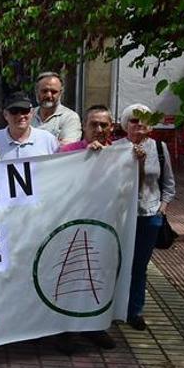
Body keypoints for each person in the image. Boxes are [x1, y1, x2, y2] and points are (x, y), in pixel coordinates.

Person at [52, 104, 119, 354]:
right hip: (71, 225)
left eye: (104, 125)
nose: (99, 129)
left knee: (101, 276)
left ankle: (95, 326)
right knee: (70, 277)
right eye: (94, 124)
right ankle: (66, 331)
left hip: (105, 227)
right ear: (84, 127)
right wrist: (86, 159)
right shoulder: (67, 153)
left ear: (111, 127)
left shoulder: (119, 154)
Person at [116, 103, 175, 331]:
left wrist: (163, 206)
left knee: (139, 265)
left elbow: (168, 182)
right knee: (120, 262)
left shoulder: (159, 148)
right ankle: (115, 308)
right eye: (133, 120)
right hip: (122, 215)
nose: (138, 125)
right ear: (125, 125)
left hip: (149, 214)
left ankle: (135, 310)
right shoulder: (116, 148)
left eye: (143, 121)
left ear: (150, 126)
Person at [0, 91, 59, 160]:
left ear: (32, 113)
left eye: (25, 111)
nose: (20, 116)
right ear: (5, 115)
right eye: (14, 111)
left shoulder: (48, 140)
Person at [31, 72, 82, 146]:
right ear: (36, 91)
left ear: (60, 93)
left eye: (53, 92)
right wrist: (55, 142)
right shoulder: (27, 115)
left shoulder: (70, 117)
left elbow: (68, 148)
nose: (49, 95)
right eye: (44, 91)